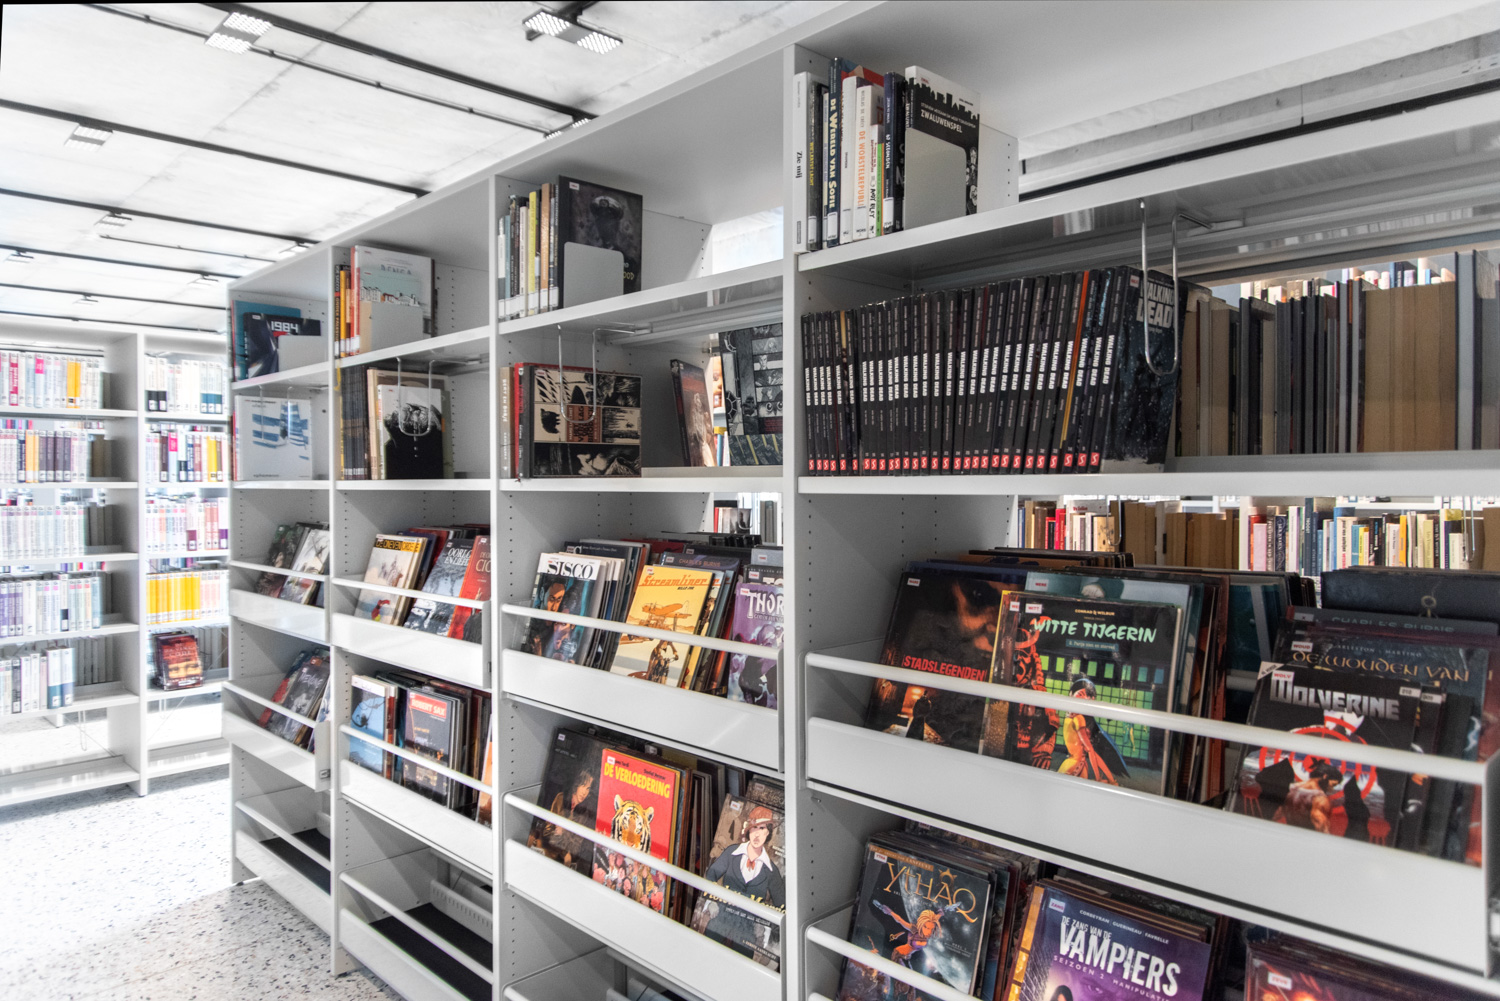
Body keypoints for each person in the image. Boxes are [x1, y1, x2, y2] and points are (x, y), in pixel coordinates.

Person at [702, 805, 784, 951]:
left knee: (743, 959)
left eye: (762, 828)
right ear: (748, 830)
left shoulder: (771, 870)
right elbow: (711, 874)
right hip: (721, 916)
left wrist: (764, 923)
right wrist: (712, 901)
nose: (757, 834)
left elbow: (782, 905)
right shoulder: (732, 852)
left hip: (748, 928)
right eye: (754, 828)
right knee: (706, 951)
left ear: (768, 832)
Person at [1057, 677, 1127, 786]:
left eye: (1088, 697)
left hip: (1076, 765)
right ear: (1071, 694)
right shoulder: (1075, 718)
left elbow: (1092, 752)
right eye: (1080, 694)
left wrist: (1105, 778)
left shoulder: (1075, 718)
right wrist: (1103, 779)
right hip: (1074, 765)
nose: (1083, 698)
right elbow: (1091, 751)